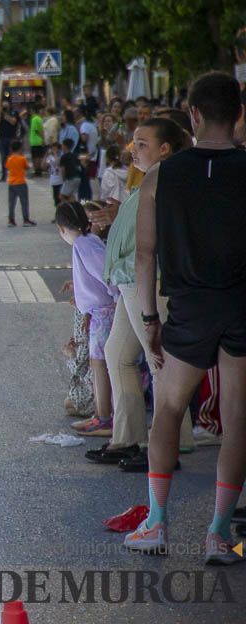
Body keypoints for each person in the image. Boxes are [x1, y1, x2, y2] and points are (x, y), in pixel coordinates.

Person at [125, 72, 246, 561]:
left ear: (192, 115)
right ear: (238, 113)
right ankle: (219, 533)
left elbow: (144, 255)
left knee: (170, 409)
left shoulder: (161, 176)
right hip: (240, 304)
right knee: (238, 420)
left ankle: (156, 521)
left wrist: (150, 320)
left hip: (189, 308)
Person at [89, 118, 193, 472]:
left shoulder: (167, 177)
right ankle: (128, 437)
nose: (134, 148)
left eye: (142, 142)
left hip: (147, 280)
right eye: (134, 142)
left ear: (165, 148)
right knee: (118, 353)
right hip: (128, 279)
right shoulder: (150, 177)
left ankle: (170, 445)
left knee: (157, 360)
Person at [55, 202, 116, 439]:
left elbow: (106, 275)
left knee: (99, 364)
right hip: (98, 311)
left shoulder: (84, 245)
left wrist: (116, 300)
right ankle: (102, 416)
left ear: (61, 228)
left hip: (104, 310)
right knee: (98, 362)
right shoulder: (87, 242)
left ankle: (103, 417)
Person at [5, 139, 35, 227]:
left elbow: (7, 167)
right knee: (24, 202)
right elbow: (27, 167)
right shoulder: (22, 158)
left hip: (11, 183)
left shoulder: (9, 159)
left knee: (11, 203)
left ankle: (11, 220)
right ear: (20, 149)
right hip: (21, 182)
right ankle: (26, 220)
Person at [59, 138, 82, 202]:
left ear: (65, 146)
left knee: (61, 196)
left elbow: (62, 169)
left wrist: (63, 179)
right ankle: (74, 208)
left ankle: (68, 209)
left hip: (70, 178)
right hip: (77, 177)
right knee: (71, 195)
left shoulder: (64, 157)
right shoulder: (75, 155)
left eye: (62, 145)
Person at [29, 106, 46, 177]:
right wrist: (43, 139)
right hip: (38, 141)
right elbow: (39, 130)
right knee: (38, 157)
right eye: (43, 110)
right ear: (40, 111)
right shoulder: (38, 119)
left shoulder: (33, 119)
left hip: (33, 140)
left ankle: (36, 170)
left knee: (34, 156)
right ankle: (38, 171)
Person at [46, 142, 64, 207]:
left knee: (61, 197)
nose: (54, 150)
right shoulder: (50, 157)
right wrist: (46, 155)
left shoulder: (61, 156)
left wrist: (55, 154)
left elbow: (58, 163)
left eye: (55, 149)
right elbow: (43, 166)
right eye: (52, 149)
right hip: (53, 181)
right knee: (55, 198)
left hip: (60, 180)